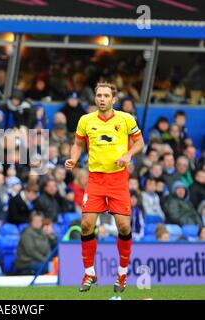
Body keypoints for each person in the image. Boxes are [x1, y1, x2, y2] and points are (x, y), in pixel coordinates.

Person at [65, 82, 145, 293]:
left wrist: (128, 154)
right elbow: (78, 144)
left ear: (113, 99)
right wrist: (73, 159)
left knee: (124, 227)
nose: (102, 99)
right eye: (99, 95)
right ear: (95, 98)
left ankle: (122, 273)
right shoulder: (86, 120)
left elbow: (139, 143)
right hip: (96, 180)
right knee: (86, 225)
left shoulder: (126, 119)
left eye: (106, 95)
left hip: (118, 180)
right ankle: (89, 272)